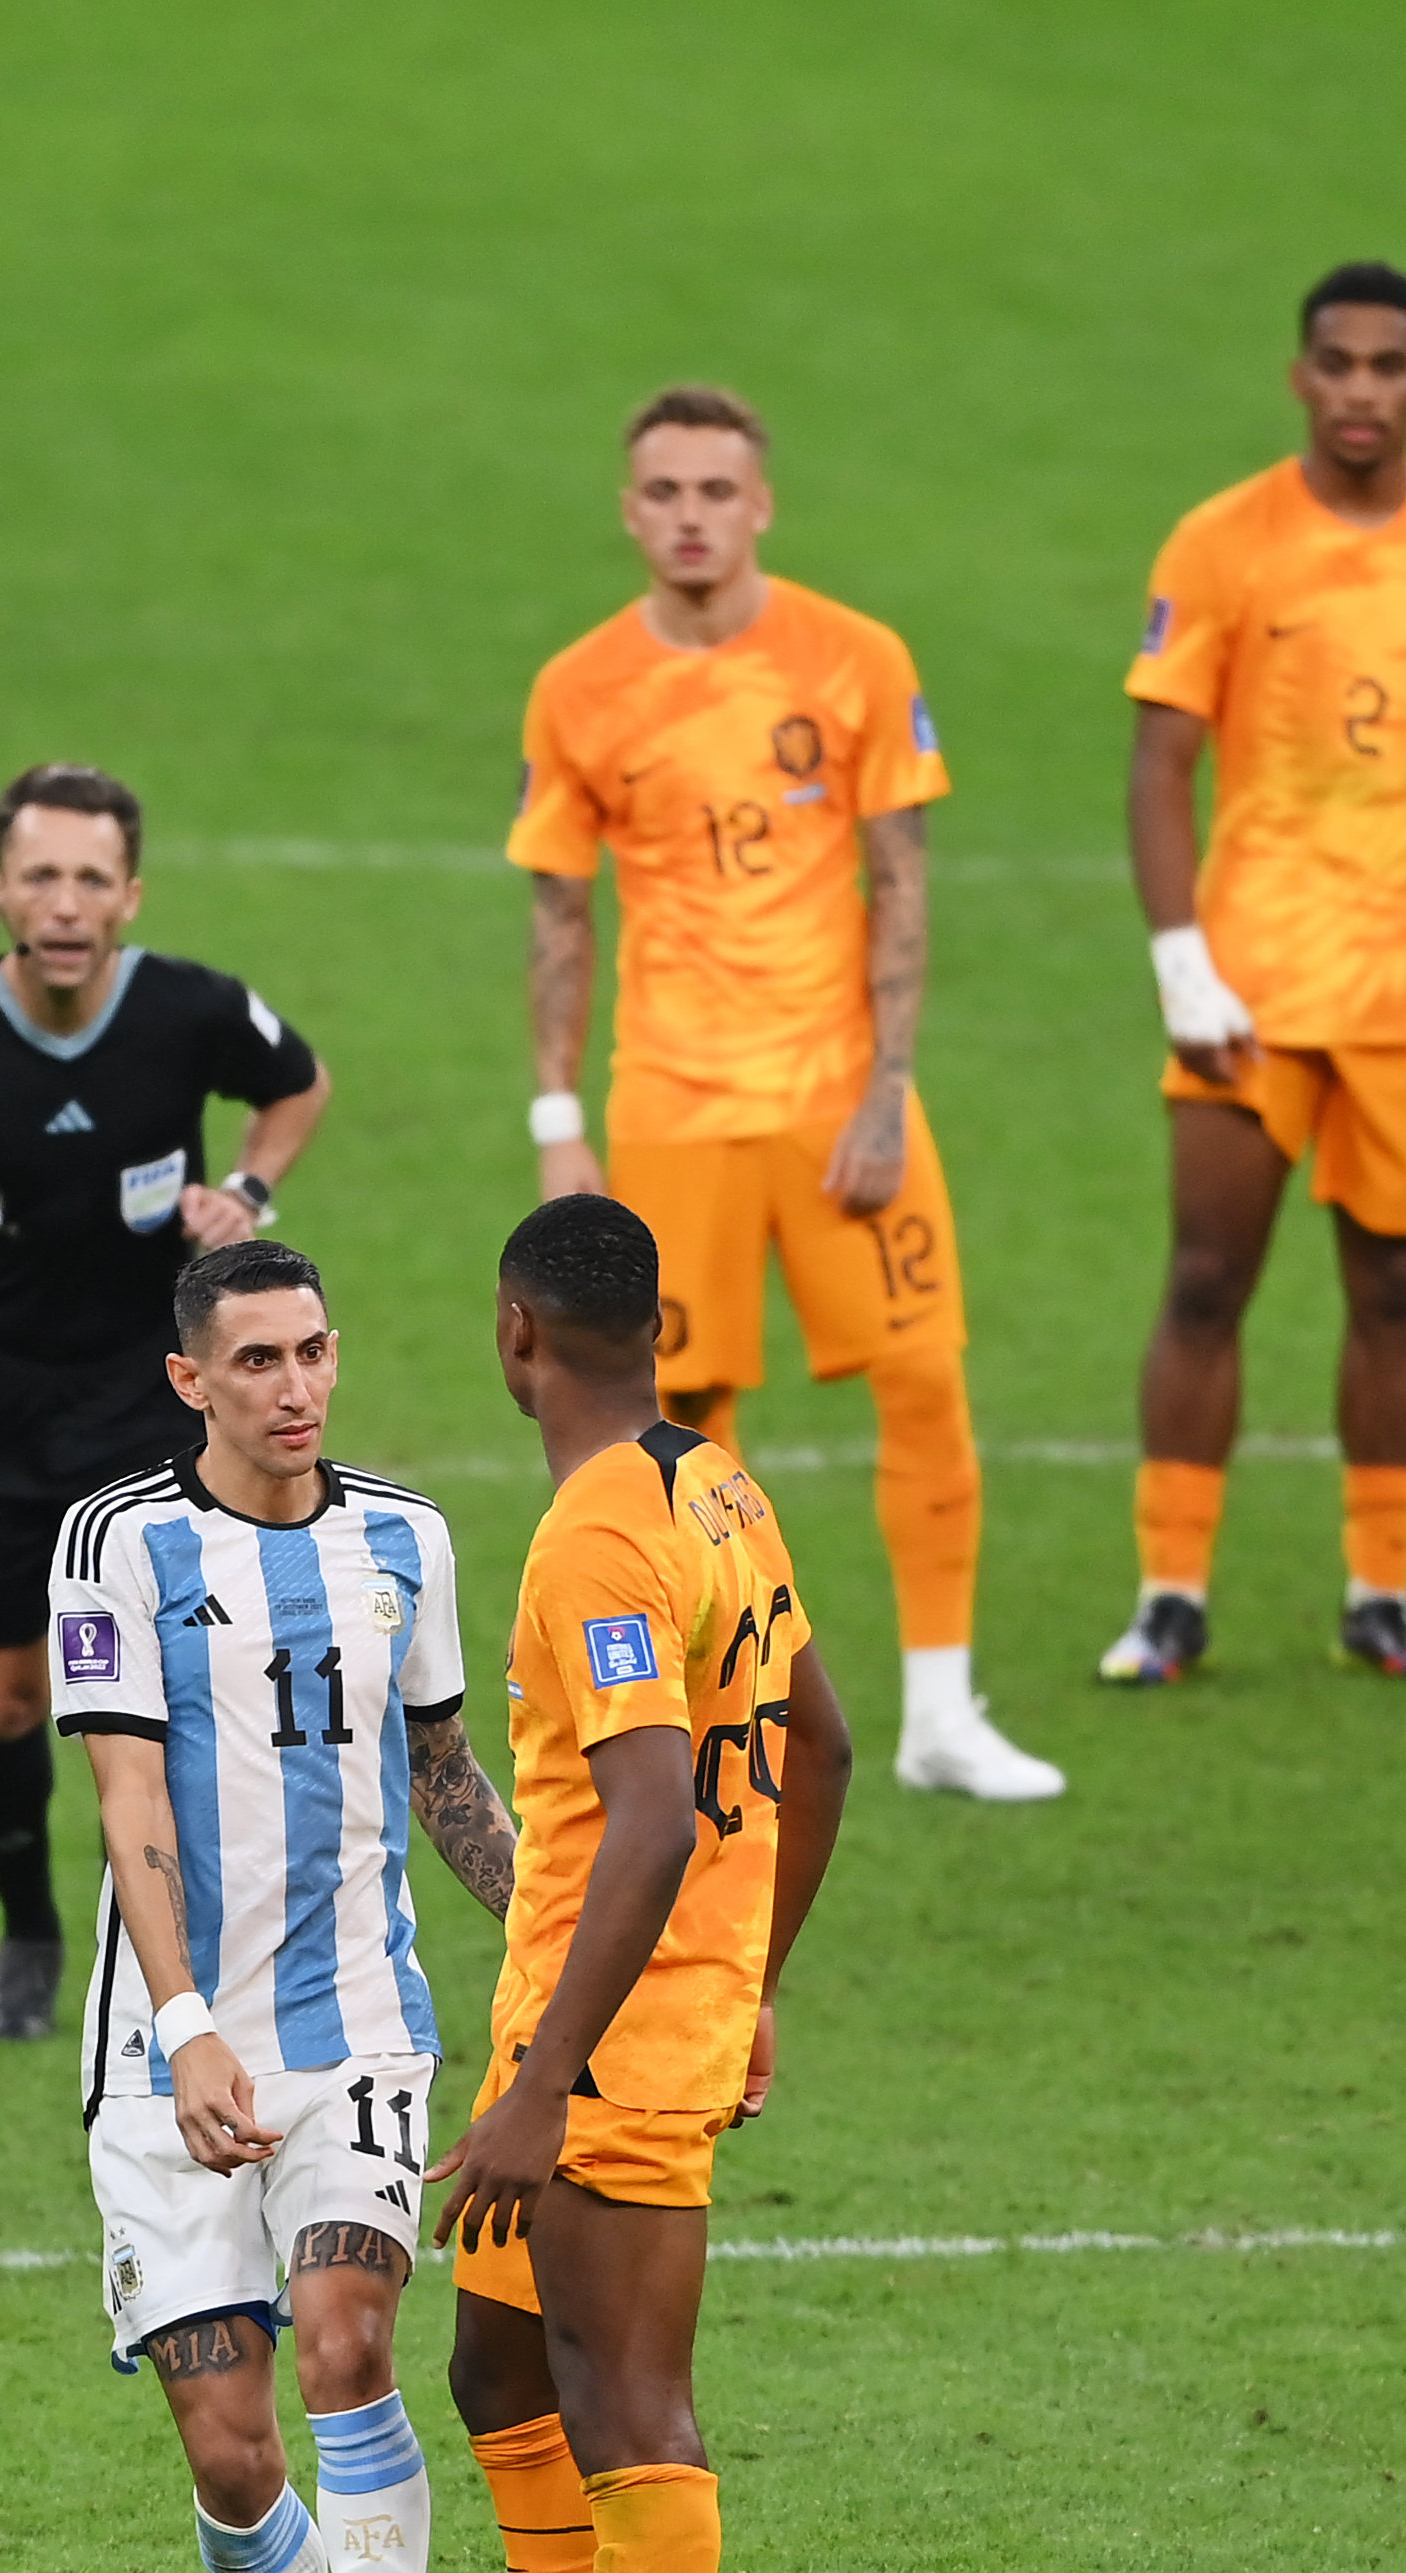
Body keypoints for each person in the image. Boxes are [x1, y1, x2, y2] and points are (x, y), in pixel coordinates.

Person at [408, 1194, 851, 2573]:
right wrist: (761, 1981)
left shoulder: (596, 1538)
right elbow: (819, 1740)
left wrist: (549, 2084)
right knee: (496, 2361)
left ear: (517, 1329)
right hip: (626, 2012)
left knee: (625, 2395)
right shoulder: (719, 1483)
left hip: (609, 2039)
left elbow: (655, 1813)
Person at [45, 1238, 516, 2573]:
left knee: (346, 2339)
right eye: (256, 1360)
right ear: (190, 1378)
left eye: (314, 1350)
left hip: (361, 2031)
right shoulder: (116, 1543)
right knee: (234, 2455)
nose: (297, 1386)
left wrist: (564, 1960)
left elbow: (448, 1772)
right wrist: (185, 2031)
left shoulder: (409, 1537)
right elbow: (128, 1802)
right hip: (169, 2051)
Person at [512, 385, 1060, 1803]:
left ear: (760, 503)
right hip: (674, 1110)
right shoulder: (578, 687)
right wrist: (554, 1116)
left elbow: (902, 880)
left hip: (834, 1102)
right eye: (663, 492)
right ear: (628, 510)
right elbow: (560, 917)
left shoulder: (854, 658)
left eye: (714, 490)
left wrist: (888, 1085)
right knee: (681, 1422)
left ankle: (941, 1704)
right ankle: (731, 1715)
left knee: (924, 1377)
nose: (689, 515)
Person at [0, 764, 334, 2041]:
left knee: (178, 1684)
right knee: (6, 1698)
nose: (66, 902)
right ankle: (32, 1933)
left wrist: (246, 1198)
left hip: (155, 1390)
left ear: (130, 894)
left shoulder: (190, 1011)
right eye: (39, 874)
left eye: (92, 877)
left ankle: (181, 1951)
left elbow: (296, 1084)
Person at [1105, 258, 1406, 1685]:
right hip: (1247, 994)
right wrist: (1182, 961)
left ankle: (1381, 1590)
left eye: (1386, 365)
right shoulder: (1222, 542)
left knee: (1395, 1293)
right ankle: (1168, 1594)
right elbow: (1158, 760)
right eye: (1335, 363)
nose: (1360, 389)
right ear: (1297, 376)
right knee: (1201, 1280)